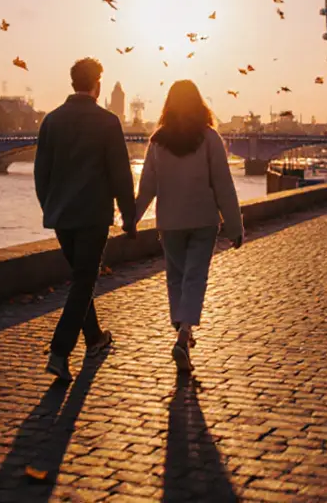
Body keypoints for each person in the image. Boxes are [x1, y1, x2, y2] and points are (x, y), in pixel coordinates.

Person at [34, 58, 137, 382]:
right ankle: (59, 351)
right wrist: (129, 216)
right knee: (83, 282)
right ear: (98, 84)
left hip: (61, 216)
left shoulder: (51, 121)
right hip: (92, 215)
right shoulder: (107, 122)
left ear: (72, 82)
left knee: (82, 280)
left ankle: (94, 340)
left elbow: (41, 174)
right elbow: (120, 174)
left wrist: (50, 207)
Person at [135, 80, 243, 373]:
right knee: (195, 277)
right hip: (203, 219)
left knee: (176, 277)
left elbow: (147, 186)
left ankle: (182, 328)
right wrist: (235, 226)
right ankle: (184, 333)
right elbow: (223, 185)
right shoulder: (209, 138)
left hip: (170, 221)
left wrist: (131, 218)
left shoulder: (157, 141)